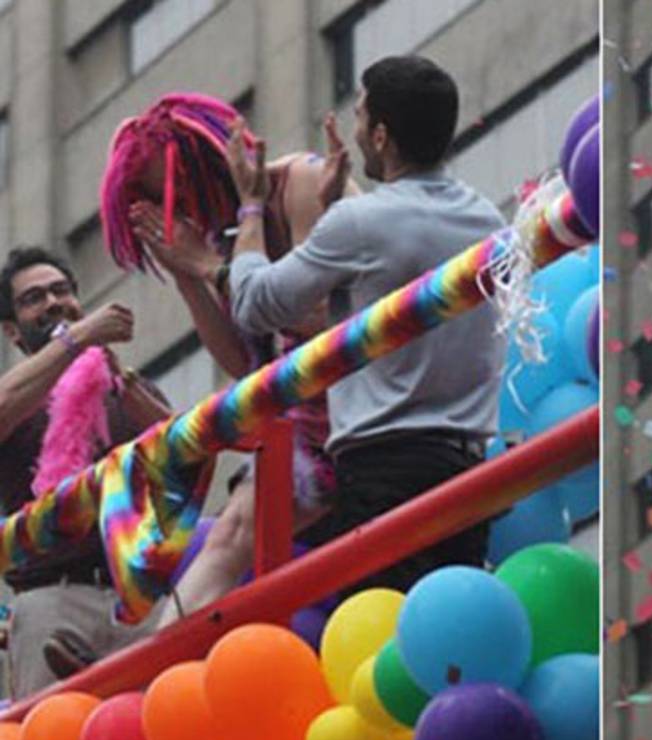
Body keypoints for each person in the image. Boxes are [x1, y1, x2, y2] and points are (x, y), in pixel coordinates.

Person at [224, 55, 505, 594]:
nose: (352, 132)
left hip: (384, 469)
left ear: (380, 135)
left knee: (384, 647)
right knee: (442, 644)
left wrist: (252, 208)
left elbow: (255, 304)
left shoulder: (361, 221)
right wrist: (331, 212)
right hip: (467, 473)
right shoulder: (486, 220)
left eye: (358, 117)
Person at [98, 93, 357, 630]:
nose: (185, 214)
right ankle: (142, 669)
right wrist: (188, 275)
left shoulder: (301, 184)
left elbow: (320, 318)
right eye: (161, 205)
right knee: (233, 533)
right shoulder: (227, 234)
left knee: (239, 533)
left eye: (177, 193)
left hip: (368, 401)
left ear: (207, 163)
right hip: (302, 420)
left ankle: (139, 669)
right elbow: (245, 363)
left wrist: (210, 263)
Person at [0, 247, 172, 697]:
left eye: (61, 291)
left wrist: (126, 383)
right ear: (12, 332)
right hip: (52, 599)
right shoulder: (18, 397)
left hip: (144, 593)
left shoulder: (123, 383)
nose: (53, 302)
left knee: (166, 737)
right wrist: (75, 341)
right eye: (34, 298)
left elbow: (184, 450)